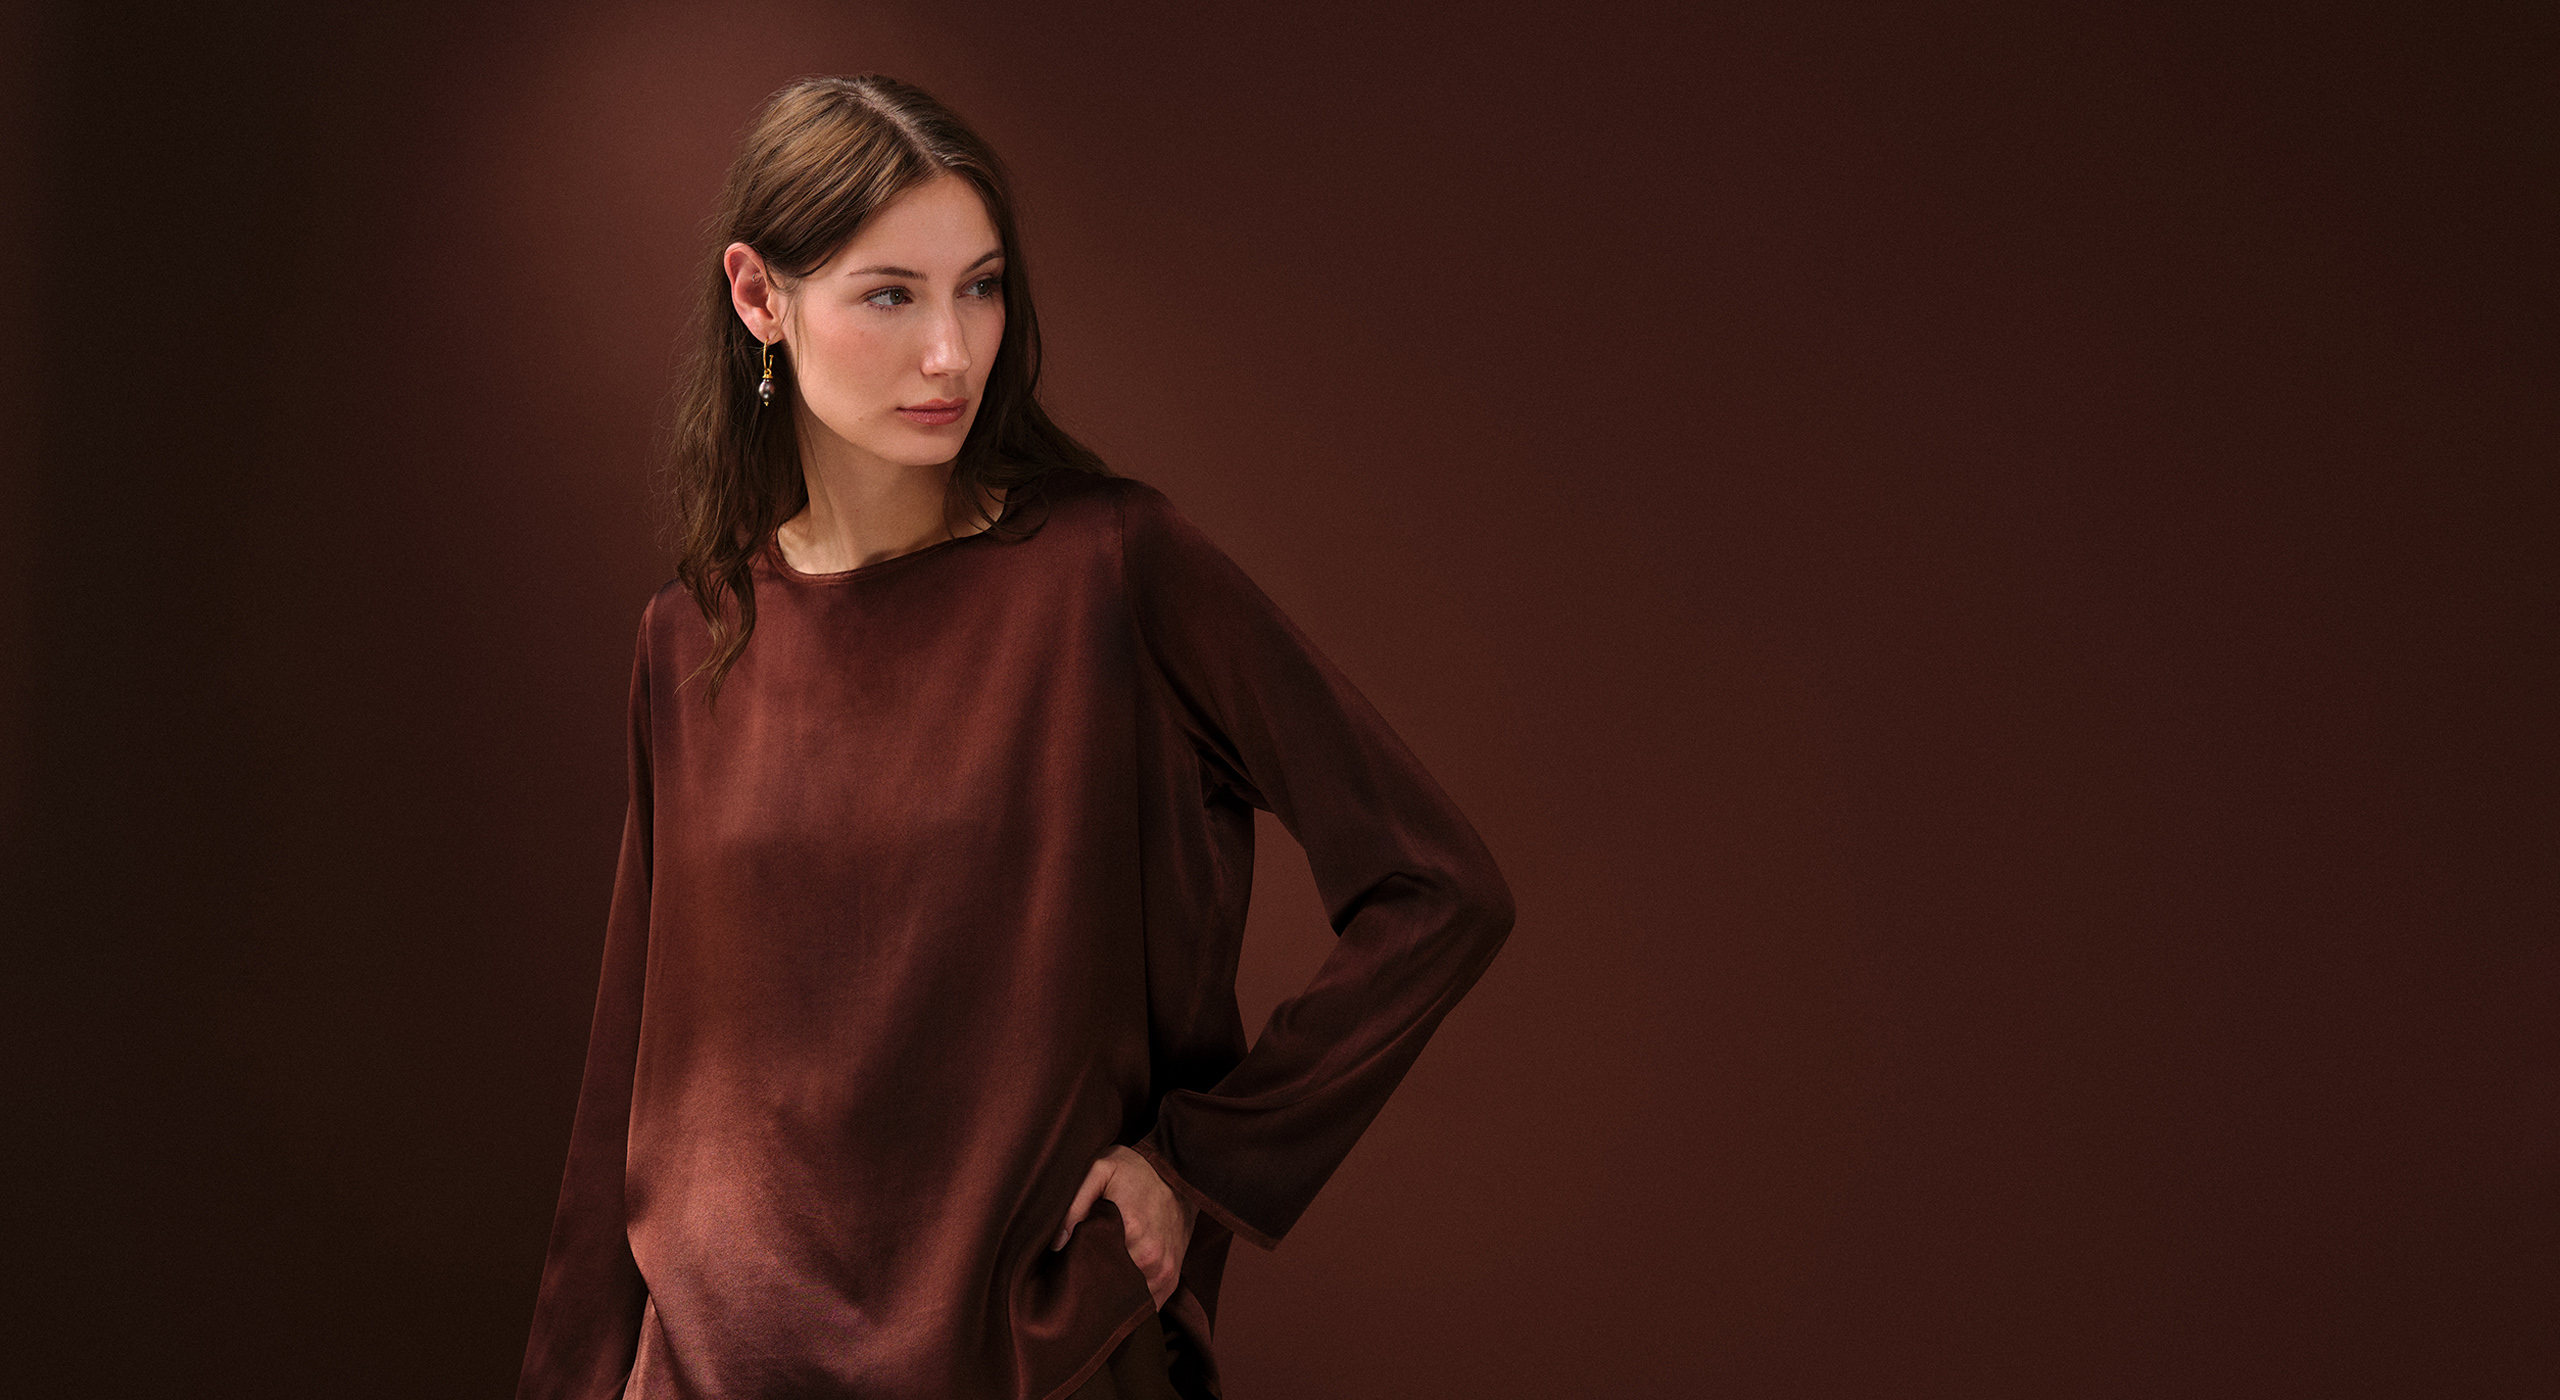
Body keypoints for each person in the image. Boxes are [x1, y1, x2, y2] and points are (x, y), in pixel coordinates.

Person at [515, 73, 1515, 1400]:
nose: (952, 353)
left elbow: (1436, 888)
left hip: (1023, 1360)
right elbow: (632, 1086)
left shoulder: (1115, 572)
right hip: (706, 1371)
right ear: (759, 297)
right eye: (892, 295)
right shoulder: (693, 636)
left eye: (979, 289)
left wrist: (1195, 1166)